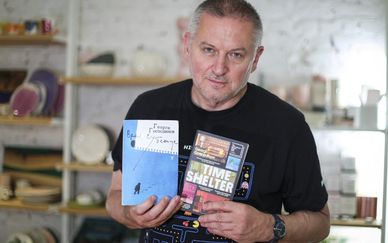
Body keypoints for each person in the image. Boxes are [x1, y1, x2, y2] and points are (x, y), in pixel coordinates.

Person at [106, 0, 330, 242]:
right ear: (187, 46)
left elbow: (321, 223)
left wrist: (268, 226)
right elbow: (115, 196)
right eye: (208, 50)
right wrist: (130, 214)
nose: (219, 68)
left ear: (255, 58)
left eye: (235, 55)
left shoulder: (287, 126)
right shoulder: (149, 107)